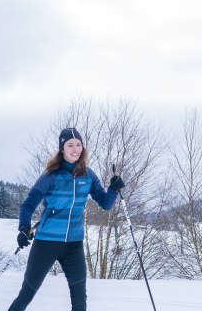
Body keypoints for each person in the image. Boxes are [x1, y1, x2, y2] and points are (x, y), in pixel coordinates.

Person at [8, 127, 125, 311]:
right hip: (46, 243)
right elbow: (28, 204)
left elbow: (105, 203)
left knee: (80, 299)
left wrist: (113, 189)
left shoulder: (88, 176)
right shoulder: (51, 176)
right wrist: (24, 228)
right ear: (62, 149)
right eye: (70, 145)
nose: (75, 149)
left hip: (73, 244)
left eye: (78, 144)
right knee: (27, 293)